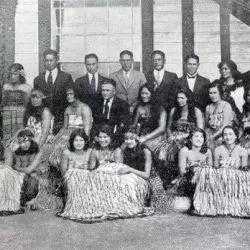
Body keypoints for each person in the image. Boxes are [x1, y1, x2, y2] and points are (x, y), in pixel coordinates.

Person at [60, 125, 151, 222]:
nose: (103, 140)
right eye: (100, 137)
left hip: (114, 176)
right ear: (97, 138)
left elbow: (119, 168)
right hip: (101, 175)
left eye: (105, 137)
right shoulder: (95, 151)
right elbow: (91, 167)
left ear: (111, 138)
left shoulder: (117, 151)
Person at [193, 126, 249, 217]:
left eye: (230, 134)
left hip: (235, 182)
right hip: (221, 180)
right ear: (222, 137)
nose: (228, 137)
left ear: (236, 136)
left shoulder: (242, 151)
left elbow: (244, 171)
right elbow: (215, 168)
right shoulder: (218, 150)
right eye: (225, 135)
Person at [156, 88, 204, 186]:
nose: (179, 100)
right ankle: (167, 180)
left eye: (182, 98)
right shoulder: (174, 110)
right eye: (178, 98)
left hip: (190, 138)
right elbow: (168, 128)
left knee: (180, 149)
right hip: (174, 138)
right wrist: (171, 138)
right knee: (163, 151)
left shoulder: (196, 111)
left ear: (188, 98)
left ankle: (179, 177)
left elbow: (200, 130)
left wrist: (186, 138)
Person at [0, 129, 41, 215]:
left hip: (32, 176)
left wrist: (21, 169)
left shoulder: (37, 152)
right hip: (21, 175)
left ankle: (25, 200)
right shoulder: (18, 152)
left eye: (26, 142)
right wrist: (22, 170)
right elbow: (16, 166)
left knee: (32, 179)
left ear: (31, 141)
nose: (24, 145)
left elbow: (29, 169)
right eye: (21, 142)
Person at [48, 87, 93, 166]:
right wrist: (55, 138)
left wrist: (83, 142)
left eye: (71, 94)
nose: (68, 96)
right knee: (53, 146)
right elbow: (64, 127)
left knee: (66, 147)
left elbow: (87, 129)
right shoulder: (68, 109)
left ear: (77, 94)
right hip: (66, 134)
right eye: (67, 94)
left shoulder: (85, 108)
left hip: (79, 134)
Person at [34, 49, 74, 134]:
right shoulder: (38, 79)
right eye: (46, 60)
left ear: (57, 60)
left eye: (51, 60)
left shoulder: (66, 77)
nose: (49, 63)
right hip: (44, 120)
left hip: (62, 119)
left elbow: (71, 99)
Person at [172, 128, 212, 213]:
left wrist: (201, 173)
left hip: (204, 179)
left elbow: (210, 169)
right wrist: (195, 171)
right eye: (196, 136)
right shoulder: (184, 151)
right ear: (190, 138)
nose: (199, 139)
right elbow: (182, 171)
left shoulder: (207, 152)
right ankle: (193, 204)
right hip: (188, 178)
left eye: (201, 137)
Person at [92, 79, 130, 145]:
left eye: (107, 90)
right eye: (103, 90)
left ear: (114, 91)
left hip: (115, 138)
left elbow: (123, 126)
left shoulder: (123, 104)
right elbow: (94, 123)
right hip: (99, 137)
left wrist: (111, 138)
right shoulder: (96, 103)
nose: (105, 93)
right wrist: (95, 136)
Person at [1, 63, 31, 143]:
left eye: (15, 74)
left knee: (19, 140)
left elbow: (27, 104)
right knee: (7, 141)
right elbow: (3, 102)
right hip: (7, 116)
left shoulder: (26, 87)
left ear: (20, 75)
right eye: (11, 74)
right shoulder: (5, 86)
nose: (12, 76)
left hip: (20, 116)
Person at [132, 84, 167, 152]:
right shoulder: (139, 107)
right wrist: (135, 136)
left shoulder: (160, 108)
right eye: (142, 93)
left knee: (147, 149)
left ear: (152, 94)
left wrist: (146, 138)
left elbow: (162, 129)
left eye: (147, 93)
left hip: (156, 136)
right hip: (141, 136)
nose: (144, 96)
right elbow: (134, 125)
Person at [205, 81, 234, 150]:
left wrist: (212, 137)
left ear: (220, 93)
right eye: (210, 93)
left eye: (215, 93)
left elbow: (225, 126)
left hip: (225, 136)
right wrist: (207, 136)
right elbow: (206, 126)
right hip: (211, 137)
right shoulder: (208, 107)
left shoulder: (226, 106)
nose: (213, 95)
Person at [217, 60, 245, 126]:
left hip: (239, 114)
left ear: (232, 69)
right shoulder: (219, 85)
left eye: (226, 69)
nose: (223, 71)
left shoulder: (240, 84)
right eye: (222, 69)